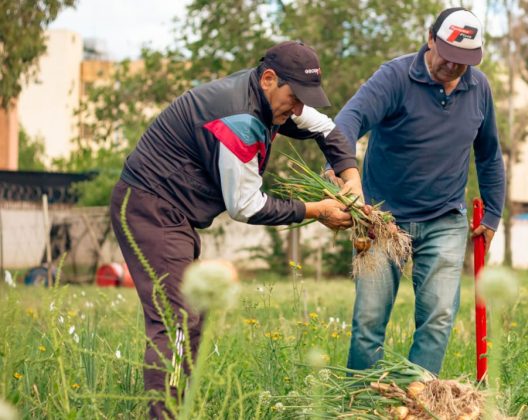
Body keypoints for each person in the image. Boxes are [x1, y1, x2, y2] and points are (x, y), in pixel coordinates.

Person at [109, 41, 362, 418]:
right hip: (150, 206)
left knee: (193, 314)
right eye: (294, 98)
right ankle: (164, 415)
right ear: (269, 79)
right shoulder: (239, 118)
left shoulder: (269, 99)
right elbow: (246, 205)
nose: (296, 109)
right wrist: (317, 210)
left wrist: (351, 179)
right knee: (178, 317)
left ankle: (178, 407)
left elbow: (326, 129)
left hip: (174, 212)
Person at [329, 7, 506, 375]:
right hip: (381, 218)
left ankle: (417, 402)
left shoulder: (479, 89)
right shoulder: (394, 78)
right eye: (449, 56)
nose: (454, 67)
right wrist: (339, 164)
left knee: (439, 318)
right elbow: (351, 118)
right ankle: (360, 404)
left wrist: (492, 213)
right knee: (369, 321)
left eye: (464, 61)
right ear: (430, 39)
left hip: (444, 219)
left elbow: (488, 154)